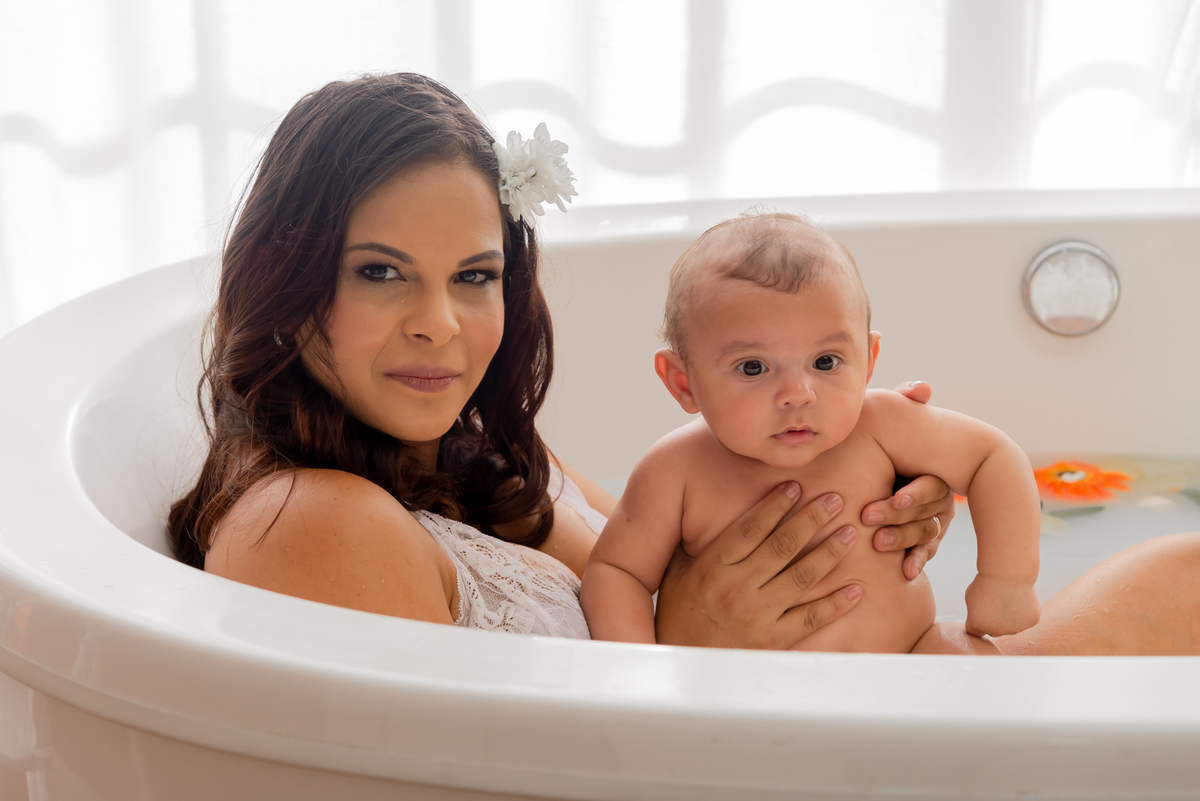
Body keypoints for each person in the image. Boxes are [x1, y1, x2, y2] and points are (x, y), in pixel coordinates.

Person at [169, 72, 1200, 656]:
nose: (442, 325)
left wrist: (867, 485)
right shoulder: (314, 525)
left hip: (869, 690)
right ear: (289, 274)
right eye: (383, 272)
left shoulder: (448, 443)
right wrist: (700, 650)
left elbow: (676, 537)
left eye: (475, 275)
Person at [581, 212, 1043, 654]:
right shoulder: (675, 470)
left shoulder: (881, 424)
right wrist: (643, 673)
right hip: (749, 702)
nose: (798, 394)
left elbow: (994, 457)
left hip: (908, 668)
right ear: (683, 382)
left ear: (869, 360)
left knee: (962, 653)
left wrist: (1006, 580)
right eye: (753, 367)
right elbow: (617, 572)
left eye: (826, 362)